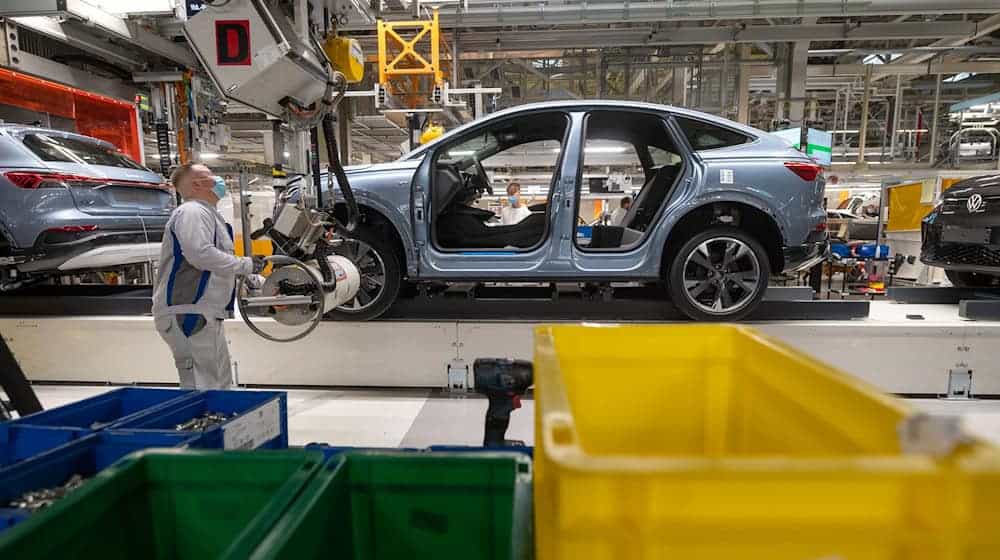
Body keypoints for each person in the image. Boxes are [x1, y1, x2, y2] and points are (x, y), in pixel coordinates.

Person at [152, 163, 263, 389]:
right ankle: (199, 424)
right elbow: (200, 255)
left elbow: (217, 266)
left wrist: (254, 280)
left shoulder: (209, 216)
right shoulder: (191, 212)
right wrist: (246, 265)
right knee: (202, 386)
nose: (218, 179)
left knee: (218, 383)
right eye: (210, 175)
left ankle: (221, 423)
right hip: (188, 311)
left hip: (203, 312)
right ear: (197, 184)